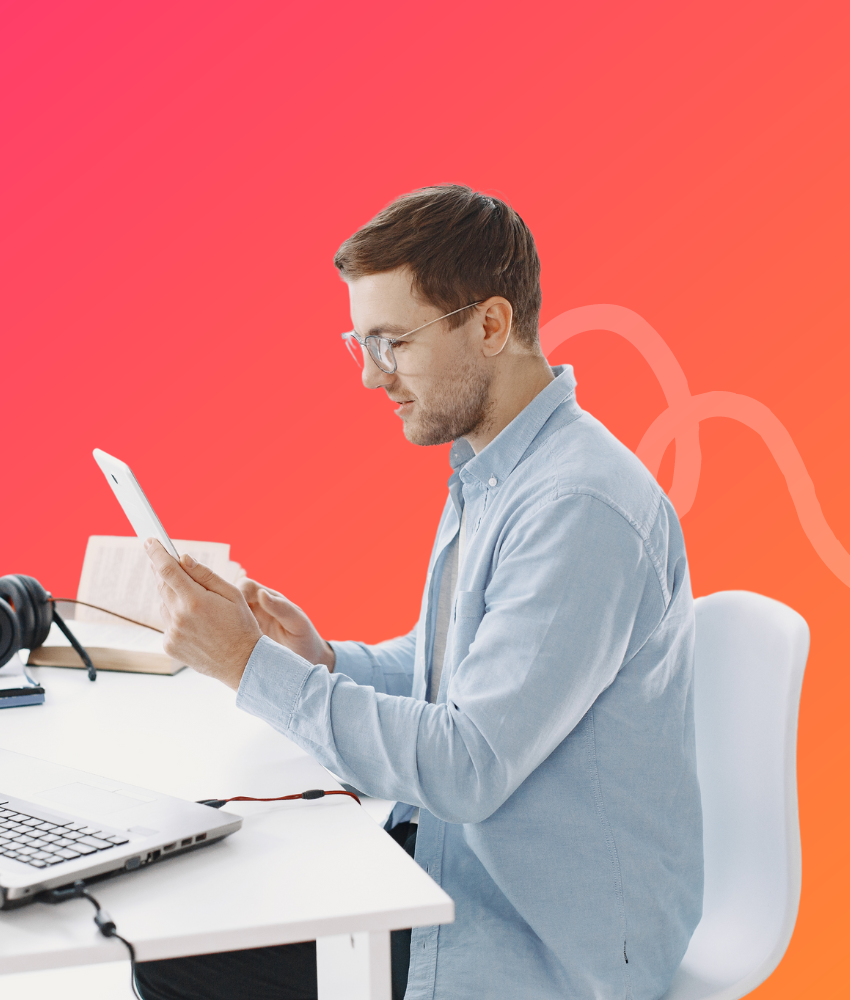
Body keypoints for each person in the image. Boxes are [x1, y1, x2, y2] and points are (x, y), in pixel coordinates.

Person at [136, 185, 703, 1000]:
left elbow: (466, 765)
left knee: (176, 960)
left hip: (536, 935)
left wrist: (249, 666)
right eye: (359, 342)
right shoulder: (499, 470)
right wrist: (322, 659)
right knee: (207, 883)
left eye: (392, 342)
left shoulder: (578, 508)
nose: (372, 377)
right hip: (459, 865)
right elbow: (459, 677)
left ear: (492, 325)